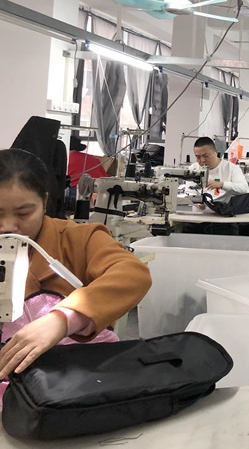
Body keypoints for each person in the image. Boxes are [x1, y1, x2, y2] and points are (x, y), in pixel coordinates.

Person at [0, 149, 151, 379]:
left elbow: (133, 274)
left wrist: (64, 319)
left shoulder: (78, 239)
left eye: (24, 213)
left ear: (44, 202)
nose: (8, 226)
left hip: (74, 378)